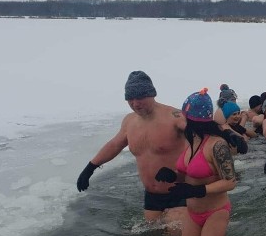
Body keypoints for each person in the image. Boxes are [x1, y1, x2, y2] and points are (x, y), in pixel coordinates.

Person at [76, 70, 188, 227]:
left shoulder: (176, 116)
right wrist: (90, 167)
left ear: (152, 94)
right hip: (152, 196)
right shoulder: (129, 121)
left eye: (140, 97)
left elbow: (204, 136)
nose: (135, 103)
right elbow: (115, 144)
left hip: (181, 190)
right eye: (130, 99)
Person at [156, 88, 237, 236]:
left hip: (215, 212)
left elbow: (230, 181)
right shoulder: (192, 141)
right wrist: (172, 175)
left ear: (192, 119)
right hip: (193, 213)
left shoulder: (217, 145)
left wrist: (197, 191)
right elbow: (190, 174)